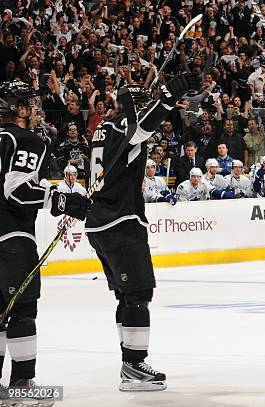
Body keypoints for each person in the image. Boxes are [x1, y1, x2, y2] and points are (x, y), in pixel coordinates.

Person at [85, 75, 201, 391]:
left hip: (101, 221)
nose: (144, 108)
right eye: (141, 103)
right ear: (131, 106)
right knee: (138, 294)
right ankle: (134, 366)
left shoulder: (105, 129)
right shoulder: (122, 126)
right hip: (119, 221)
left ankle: (129, 361)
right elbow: (142, 127)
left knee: (127, 295)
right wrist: (164, 100)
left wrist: (162, 100)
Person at [0, 80, 87, 398]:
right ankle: (21, 385)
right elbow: (17, 191)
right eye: (29, 105)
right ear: (19, 109)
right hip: (11, 239)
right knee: (22, 310)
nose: (34, 110)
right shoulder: (26, 140)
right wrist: (62, 200)